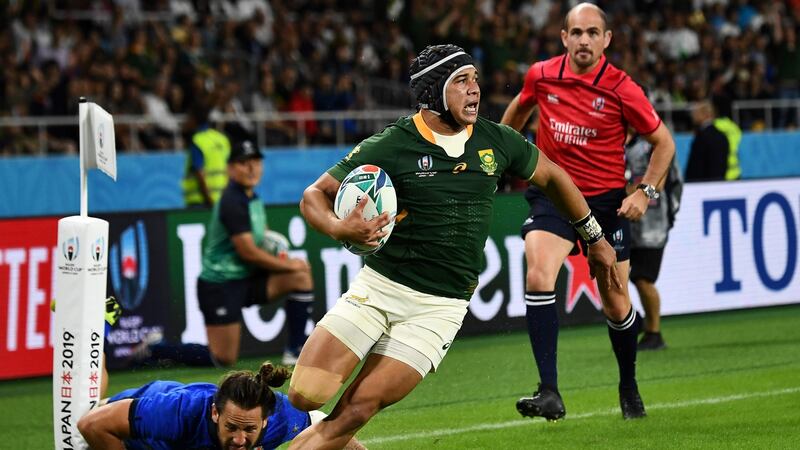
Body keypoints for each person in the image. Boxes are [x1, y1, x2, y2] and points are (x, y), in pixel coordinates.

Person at [287, 44, 620, 449]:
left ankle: (330, 434)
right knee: (304, 395)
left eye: (475, 80)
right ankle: (305, 429)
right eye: (461, 81)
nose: (475, 89)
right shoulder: (394, 143)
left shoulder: (496, 141)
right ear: (433, 91)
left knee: (358, 409)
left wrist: (595, 237)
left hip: (439, 309)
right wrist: (340, 229)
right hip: (378, 289)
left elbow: (553, 177)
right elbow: (314, 195)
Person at [500, 3, 676, 420]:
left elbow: (664, 143)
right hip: (554, 196)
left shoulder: (622, 88)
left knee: (615, 304)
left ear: (606, 39)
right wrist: (503, 153)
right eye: (576, 32)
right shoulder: (541, 75)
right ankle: (549, 391)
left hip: (605, 203)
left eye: (592, 33)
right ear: (564, 38)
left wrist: (644, 192)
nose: (584, 40)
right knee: (538, 273)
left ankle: (628, 383)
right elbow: (519, 112)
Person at [137, 140, 315, 367]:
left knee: (300, 277)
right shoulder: (232, 200)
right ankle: (157, 349)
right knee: (223, 358)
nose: (251, 168)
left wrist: (286, 260)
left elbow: (261, 237)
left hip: (246, 279)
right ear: (231, 168)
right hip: (221, 285)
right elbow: (248, 252)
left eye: (255, 162)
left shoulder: (253, 199)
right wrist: (290, 264)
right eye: (243, 163)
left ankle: (295, 349)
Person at [77, 361, 365, 450]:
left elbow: (335, 430)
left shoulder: (280, 415)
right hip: (130, 427)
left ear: (265, 421)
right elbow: (93, 426)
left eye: (249, 429)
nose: (240, 440)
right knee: (88, 408)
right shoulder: (177, 412)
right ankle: (99, 323)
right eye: (231, 427)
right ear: (215, 413)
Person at [625, 131, 683, 350]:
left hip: (652, 225)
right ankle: (635, 321)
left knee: (642, 277)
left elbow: (663, 181)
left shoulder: (655, 142)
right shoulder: (615, 137)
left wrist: (633, 191)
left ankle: (654, 332)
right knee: (608, 273)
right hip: (623, 220)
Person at [182, 102, 232, 208]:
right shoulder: (222, 139)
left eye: (188, 117)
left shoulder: (197, 141)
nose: (186, 121)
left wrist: (209, 200)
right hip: (222, 200)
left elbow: (200, 174)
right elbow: (230, 170)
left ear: (194, 119)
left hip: (201, 202)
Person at [685, 100, 742, 182]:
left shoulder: (702, 137)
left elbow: (696, 167)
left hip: (703, 184)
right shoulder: (722, 135)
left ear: (705, 114)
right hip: (725, 179)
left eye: (696, 112)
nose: (693, 116)